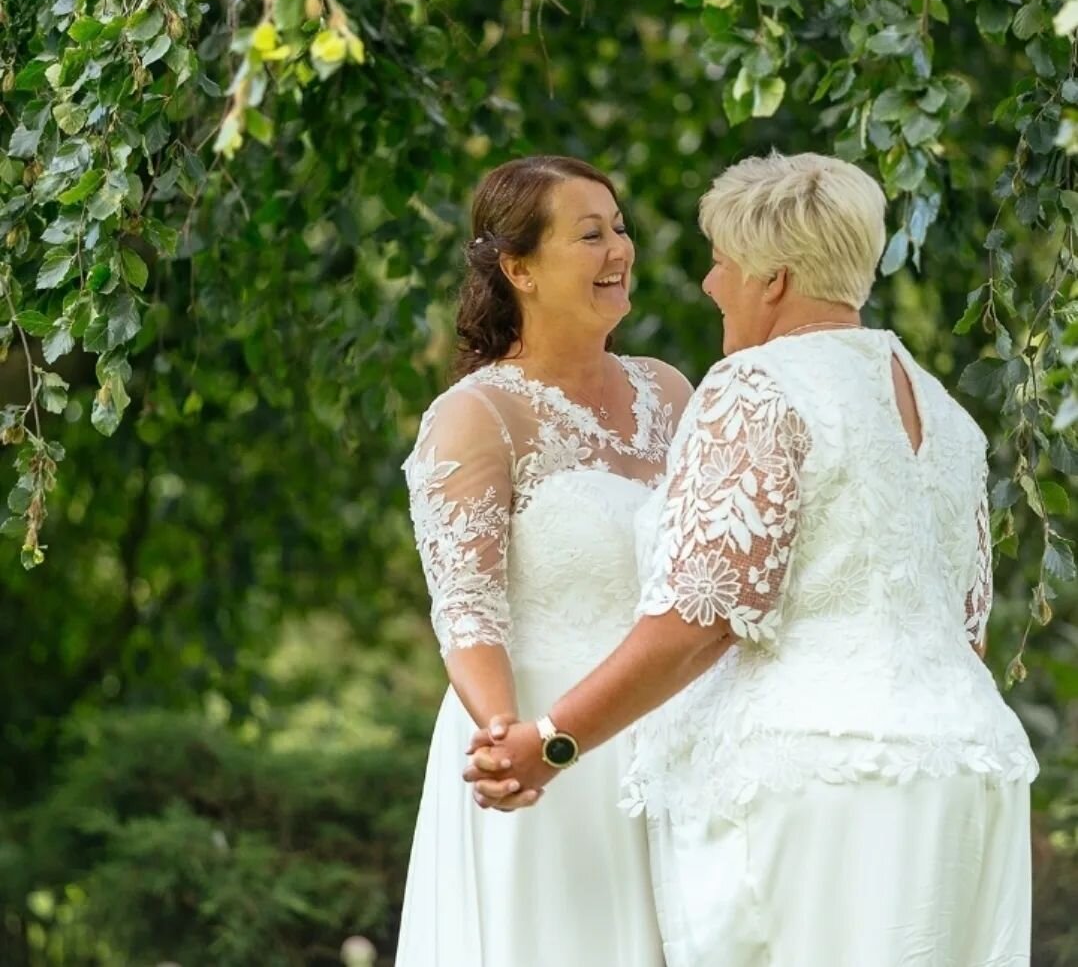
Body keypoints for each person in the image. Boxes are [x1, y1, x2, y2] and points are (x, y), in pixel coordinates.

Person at [466, 152, 1038, 967]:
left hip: (820, 791)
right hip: (971, 774)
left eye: (722, 263)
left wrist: (553, 741)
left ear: (771, 280)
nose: (709, 285)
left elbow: (698, 620)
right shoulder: (944, 412)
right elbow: (966, 633)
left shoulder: (756, 387)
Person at [395, 156, 696, 966]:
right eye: (590, 234)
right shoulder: (475, 415)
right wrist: (508, 745)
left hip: (673, 742)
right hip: (544, 748)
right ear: (518, 267)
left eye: (621, 229)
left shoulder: (670, 393)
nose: (619, 250)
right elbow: (467, 609)